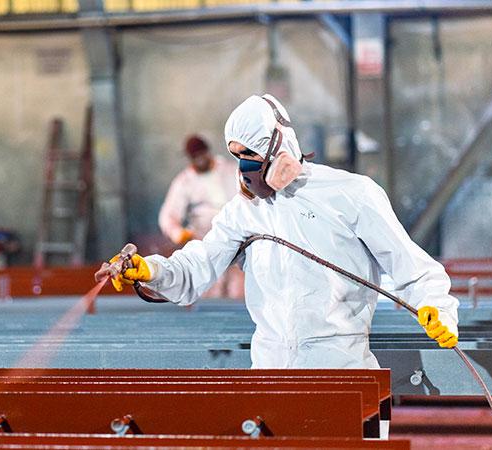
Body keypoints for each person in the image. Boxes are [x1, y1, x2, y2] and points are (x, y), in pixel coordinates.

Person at [104, 94, 458, 369]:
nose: (244, 167)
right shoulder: (245, 211)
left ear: (281, 146)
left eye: (250, 153)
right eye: (236, 154)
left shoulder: (352, 195)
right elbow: (197, 266)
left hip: (340, 370)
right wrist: (151, 270)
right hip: (272, 374)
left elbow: (412, 268)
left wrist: (436, 308)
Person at [158, 135, 242, 298]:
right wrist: (178, 233)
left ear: (208, 152)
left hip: (238, 238)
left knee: (239, 290)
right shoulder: (184, 181)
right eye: (194, 157)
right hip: (205, 241)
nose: (199, 160)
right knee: (210, 289)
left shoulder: (231, 169)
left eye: (201, 155)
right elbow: (168, 215)